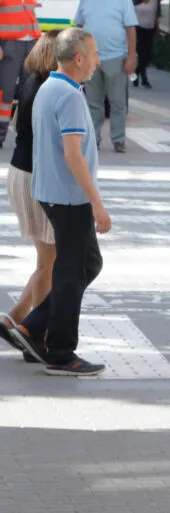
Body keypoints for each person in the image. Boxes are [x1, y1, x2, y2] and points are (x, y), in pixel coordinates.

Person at [5, 28, 110, 376]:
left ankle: (33, 327)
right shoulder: (69, 96)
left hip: (52, 193)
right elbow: (73, 155)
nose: (97, 61)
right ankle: (60, 352)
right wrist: (97, 203)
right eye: (94, 54)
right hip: (69, 196)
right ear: (78, 58)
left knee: (86, 264)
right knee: (71, 271)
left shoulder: (49, 86)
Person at [1, 29, 57, 357]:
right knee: (51, 262)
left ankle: (17, 319)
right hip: (35, 176)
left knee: (46, 260)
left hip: (19, 171)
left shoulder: (30, 80)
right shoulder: (50, 88)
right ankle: (34, 333)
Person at [74, 0, 136, 153]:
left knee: (117, 102)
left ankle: (118, 139)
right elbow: (78, 28)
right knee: (93, 103)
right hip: (90, 58)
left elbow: (131, 29)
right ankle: (93, 139)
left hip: (115, 57)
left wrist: (131, 56)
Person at [0, 0, 41, 149]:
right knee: (5, 92)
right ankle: (0, 135)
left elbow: (29, 15)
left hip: (31, 44)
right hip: (9, 44)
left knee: (29, 93)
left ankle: (25, 135)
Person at [132, 0, 155, 88]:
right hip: (138, 28)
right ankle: (144, 78)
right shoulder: (136, 2)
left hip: (150, 29)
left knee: (147, 55)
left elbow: (156, 13)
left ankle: (137, 72)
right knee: (141, 53)